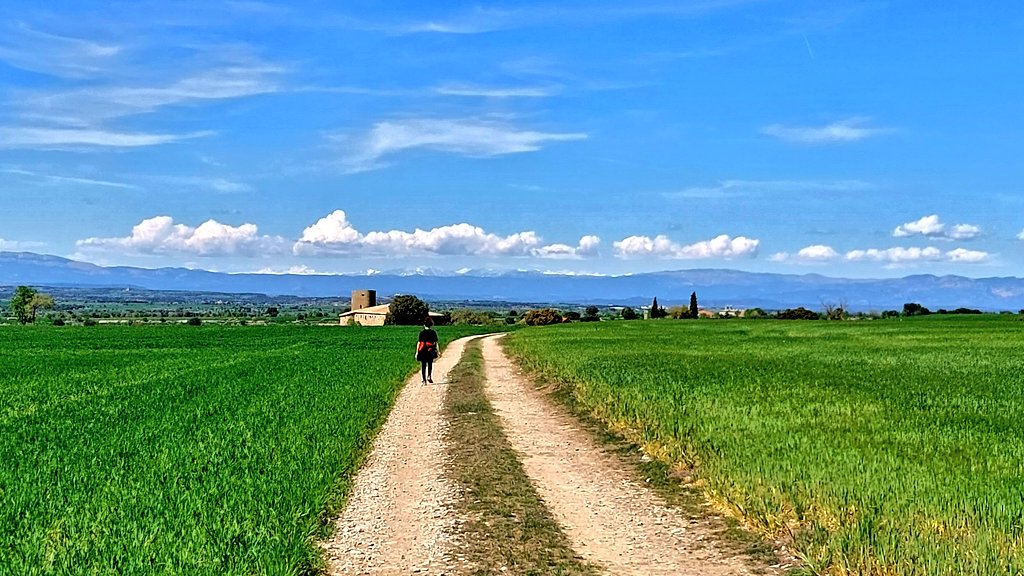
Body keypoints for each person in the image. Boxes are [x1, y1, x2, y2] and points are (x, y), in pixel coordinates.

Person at [416, 317, 439, 384]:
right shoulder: (433, 332)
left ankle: (424, 380)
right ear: (431, 325)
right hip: (430, 351)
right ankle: (429, 376)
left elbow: (419, 343)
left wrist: (417, 352)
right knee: (430, 364)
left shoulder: (422, 333)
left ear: (424, 325)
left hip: (422, 351)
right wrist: (438, 351)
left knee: (423, 365)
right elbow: (436, 343)